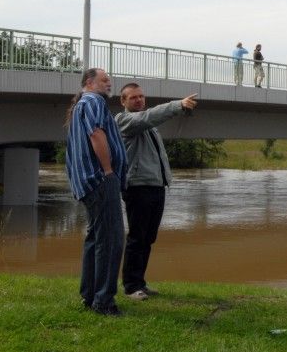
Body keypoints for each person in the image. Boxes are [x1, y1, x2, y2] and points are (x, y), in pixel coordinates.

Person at [115, 84, 199, 301]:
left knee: (148, 238)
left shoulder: (148, 125)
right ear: (123, 102)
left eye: (141, 96)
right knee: (137, 237)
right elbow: (148, 117)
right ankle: (131, 286)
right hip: (137, 186)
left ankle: (139, 282)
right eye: (133, 98)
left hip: (155, 186)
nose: (139, 100)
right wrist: (177, 105)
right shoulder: (124, 121)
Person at [65, 68, 128, 316]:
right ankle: (104, 301)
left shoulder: (83, 104)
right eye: (104, 81)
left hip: (90, 181)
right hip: (100, 180)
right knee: (112, 241)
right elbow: (96, 135)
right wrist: (109, 171)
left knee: (96, 239)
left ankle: (90, 295)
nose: (109, 84)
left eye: (110, 81)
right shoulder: (93, 102)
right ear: (90, 83)